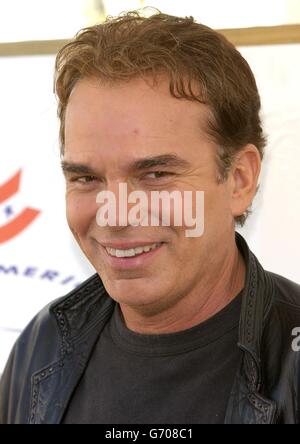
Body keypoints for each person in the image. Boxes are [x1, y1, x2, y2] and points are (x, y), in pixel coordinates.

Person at [0, 9, 299, 425]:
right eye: (86, 177)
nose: (116, 213)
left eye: (155, 175)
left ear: (240, 180)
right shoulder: (42, 345)